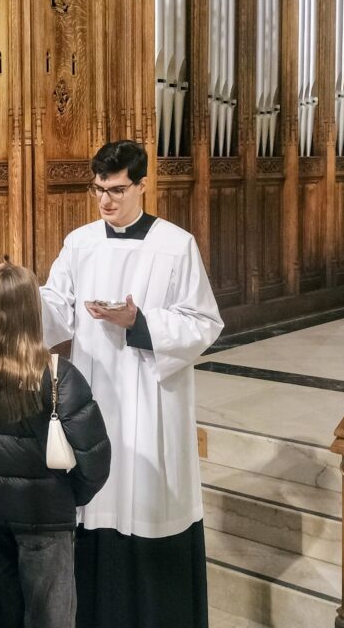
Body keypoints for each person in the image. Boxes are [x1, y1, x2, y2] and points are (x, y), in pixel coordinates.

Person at [39, 140, 224, 628]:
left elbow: (204, 322)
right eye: (99, 189)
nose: (106, 200)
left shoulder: (175, 244)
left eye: (118, 189)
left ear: (143, 184)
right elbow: (56, 307)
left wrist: (139, 322)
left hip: (151, 399)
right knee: (97, 509)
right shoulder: (80, 242)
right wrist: (22, 301)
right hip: (95, 399)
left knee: (146, 503)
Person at [0, 265, 111, 628]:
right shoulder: (58, 373)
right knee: (50, 619)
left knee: (2, 614)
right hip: (43, 516)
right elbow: (95, 458)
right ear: (32, 310)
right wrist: (68, 495)